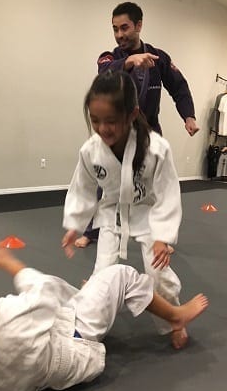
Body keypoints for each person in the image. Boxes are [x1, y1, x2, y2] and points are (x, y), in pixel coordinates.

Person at [0, 242, 208, 391]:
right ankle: (175, 316)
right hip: (74, 344)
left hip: (37, 369)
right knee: (121, 274)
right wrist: (8, 263)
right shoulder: (8, 315)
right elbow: (45, 292)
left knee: (61, 292)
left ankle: (88, 291)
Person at [62, 70, 185, 345]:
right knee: (102, 273)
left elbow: (168, 192)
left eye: (111, 121)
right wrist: (75, 224)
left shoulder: (156, 149)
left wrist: (163, 236)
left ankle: (174, 318)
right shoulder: (90, 151)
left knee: (157, 273)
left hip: (148, 214)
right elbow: (81, 188)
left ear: (131, 115)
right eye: (95, 120)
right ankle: (87, 325)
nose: (102, 128)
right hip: (111, 214)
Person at [75, 1, 198, 249]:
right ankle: (92, 232)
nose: (119, 34)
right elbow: (104, 75)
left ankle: (160, 237)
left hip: (148, 131)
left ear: (139, 25)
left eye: (124, 28)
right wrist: (130, 61)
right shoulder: (109, 57)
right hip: (116, 134)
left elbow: (179, 87)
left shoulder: (159, 58)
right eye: (115, 29)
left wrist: (189, 116)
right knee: (104, 182)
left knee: (155, 186)